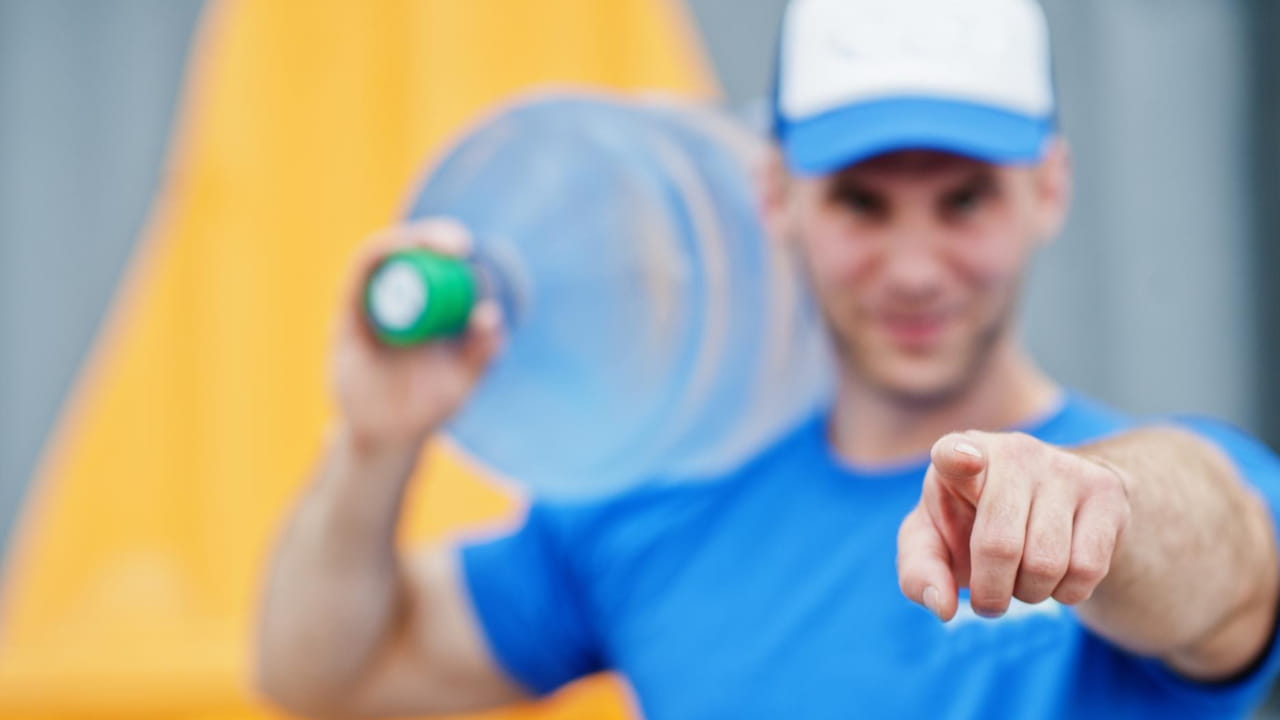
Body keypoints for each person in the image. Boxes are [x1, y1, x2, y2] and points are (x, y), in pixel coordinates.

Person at [254, 0, 1280, 717]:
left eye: (961, 199)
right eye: (860, 204)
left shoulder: (1151, 489)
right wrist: (374, 442)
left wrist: (1091, 505)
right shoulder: (655, 496)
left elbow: (1226, 560)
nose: (914, 267)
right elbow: (324, 672)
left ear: (1045, 191)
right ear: (775, 197)